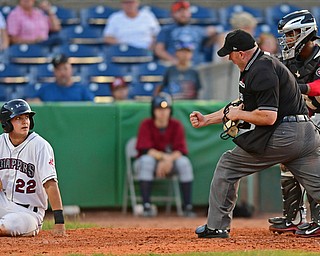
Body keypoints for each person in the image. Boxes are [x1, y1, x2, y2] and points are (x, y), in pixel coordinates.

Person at [189, 29, 320, 238]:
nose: (229, 59)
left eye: (230, 54)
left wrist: (240, 114)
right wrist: (208, 119)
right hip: (306, 134)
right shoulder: (263, 64)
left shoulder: (260, 70)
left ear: (241, 53)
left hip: (285, 134)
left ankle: (217, 227)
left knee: (228, 165)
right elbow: (241, 105)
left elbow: (268, 117)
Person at [268, 10, 320, 237]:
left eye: (292, 34)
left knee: (314, 166)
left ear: (306, 33)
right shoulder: (289, 60)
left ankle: (318, 220)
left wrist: (298, 89)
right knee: (288, 160)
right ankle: (293, 217)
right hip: (306, 117)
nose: (288, 40)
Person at [0, 99, 65, 236]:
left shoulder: (40, 146)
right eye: (18, 118)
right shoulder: (1, 142)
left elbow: (50, 184)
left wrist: (59, 222)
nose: (25, 121)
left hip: (28, 212)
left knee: (6, 227)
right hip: (3, 202)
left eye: (27, 117)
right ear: (6, 123)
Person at [135, 92, 196, 217]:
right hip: (149, 163)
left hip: (170, 163)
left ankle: (187, 207)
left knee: (184, 163)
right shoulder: (146, 124)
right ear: (153, 111)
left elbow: (181, 150)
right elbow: (146, 150)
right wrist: (164, 158)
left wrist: (167, 160)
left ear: (170, 110)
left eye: (166, 108)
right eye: (158, 109)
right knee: (147, 160)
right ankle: (146, 206)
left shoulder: (176, 125)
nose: (162, 112)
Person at [155, 0, 220, 66]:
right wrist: (173, 60)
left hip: (195, 66)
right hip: (174, 65)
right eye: (179, 11)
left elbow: (209, 44)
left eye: (185, 10)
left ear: (190, 13)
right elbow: (159, 50)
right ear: (172, 14)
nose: (183, 13)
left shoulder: (198, 30)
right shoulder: (166, 30)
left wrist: (214, 33)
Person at [26, 54, 94, 102]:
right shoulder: (45, 90)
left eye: (65, 68)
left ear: (71, 69)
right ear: (54, 72)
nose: (62, 72)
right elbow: (30, 103)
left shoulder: (82, 91)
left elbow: (92, 109)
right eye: (58, 69)